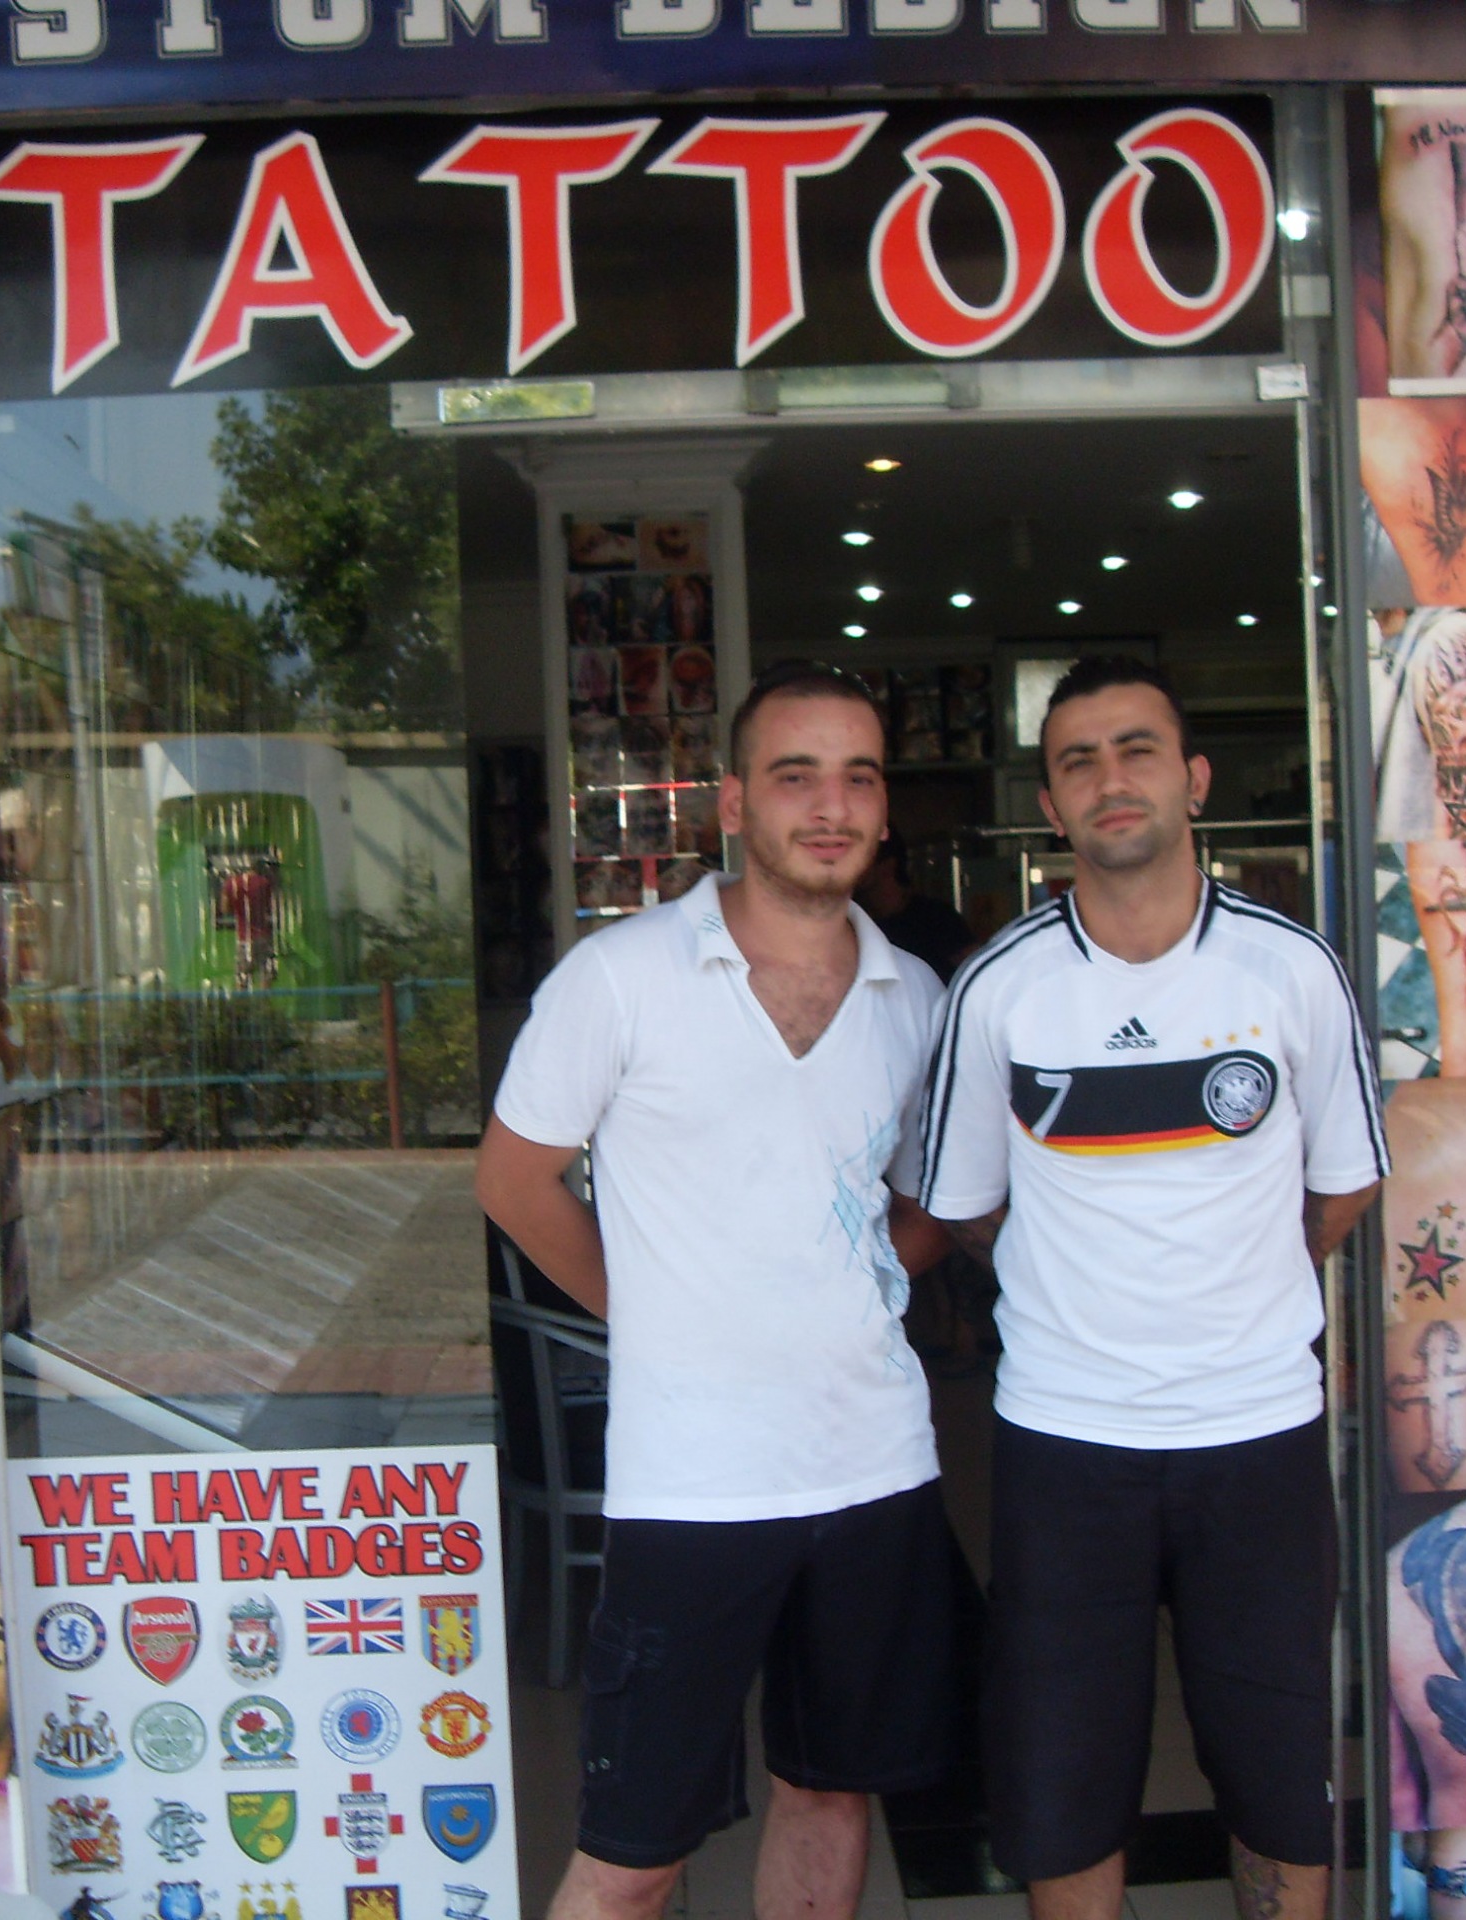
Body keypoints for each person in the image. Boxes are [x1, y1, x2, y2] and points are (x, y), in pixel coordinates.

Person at [477, 660, 960, 1920]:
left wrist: (850, 1284)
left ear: (883, 806)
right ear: (735, 803)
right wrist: (655, 1311)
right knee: (634, 1853)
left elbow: (931, 1204)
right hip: (692, 1483)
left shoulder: (915, 998)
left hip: (874, 1467)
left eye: (858, 777)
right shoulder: (620, 975)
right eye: (796, 776)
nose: (831, 806)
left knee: (830, 1794)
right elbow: (514, 1180)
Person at [918, 658, 1387, 1920]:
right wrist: (1083, 1287)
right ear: (1051, 805)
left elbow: (1341, 1188)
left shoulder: (1291, 970)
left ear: (1194, 780)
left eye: (1136, 749)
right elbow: (964, 1208)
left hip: (1258, 1434)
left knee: (1277, 1774)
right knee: (1062, 1778)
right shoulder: (1000, 988)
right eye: (1078, 760)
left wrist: (1234, 1288)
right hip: (1066, 1441)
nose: (1109, 778)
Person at [858, 835, 976, 982]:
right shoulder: (856, 922)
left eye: (864, 859)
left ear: (888, 865)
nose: (856, 867)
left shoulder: (937, 917)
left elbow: (974, 973)